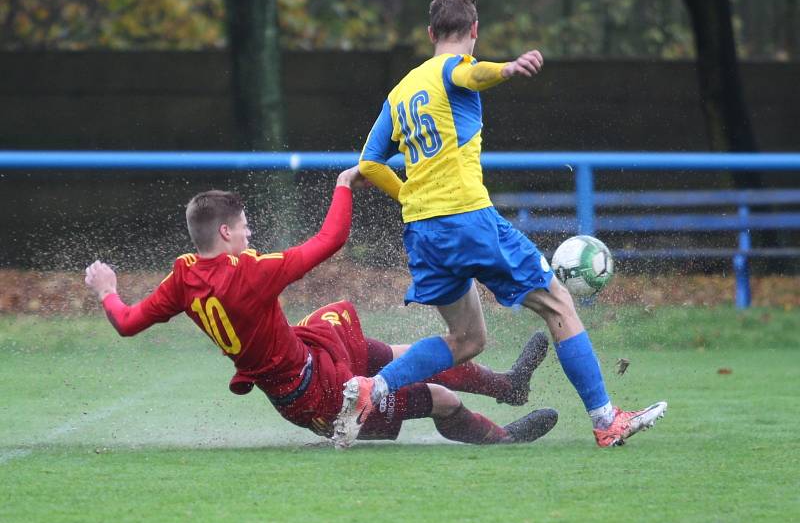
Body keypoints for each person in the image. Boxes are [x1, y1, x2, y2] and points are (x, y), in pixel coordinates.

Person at [335, 0, 666, 449]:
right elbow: (470, 76)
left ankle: (375, 387)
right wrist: (508, 69)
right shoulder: (460, 67)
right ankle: (606, 419)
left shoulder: (400, 91)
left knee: (466, 339)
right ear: (474, 30)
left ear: (430, 31)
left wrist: (407, 191)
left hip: (424, 233)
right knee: (557, 302)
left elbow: (369, 163)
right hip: (469, 219)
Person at [84, 167, 558, 447]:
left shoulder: (182, 277)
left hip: (306, 356)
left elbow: (126, 322)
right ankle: (506, 441)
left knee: (399, 355)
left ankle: (508, 386)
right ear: (225, 232)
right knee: (440, 399)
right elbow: (332, 239)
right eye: (244, 227)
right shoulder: (250, 273)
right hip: (318, 396)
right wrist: (345, 182)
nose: (250, 234)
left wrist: (107, 289)